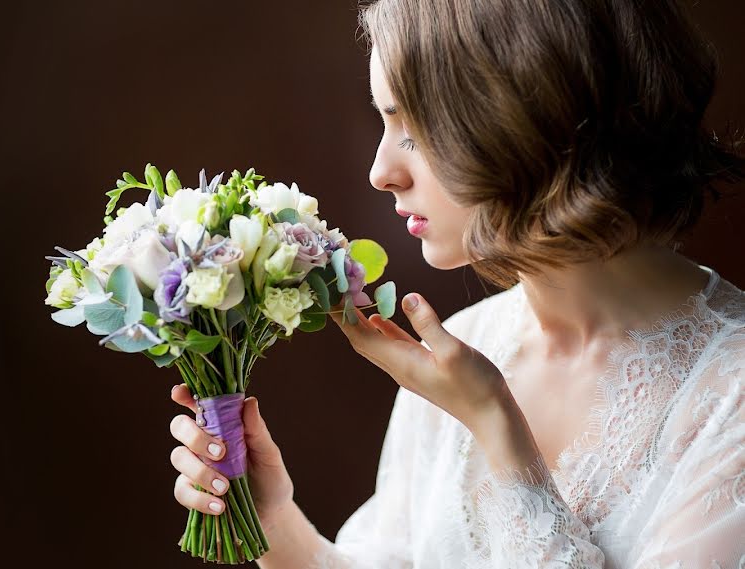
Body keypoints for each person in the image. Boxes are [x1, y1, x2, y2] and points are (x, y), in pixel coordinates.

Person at [168, 0, 745, 566]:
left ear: (526, 116)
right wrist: (273, 517)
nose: (381, 172)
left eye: (414, 130)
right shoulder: (464, 347)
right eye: (383, 121)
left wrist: (494, 424)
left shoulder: (730, 399)